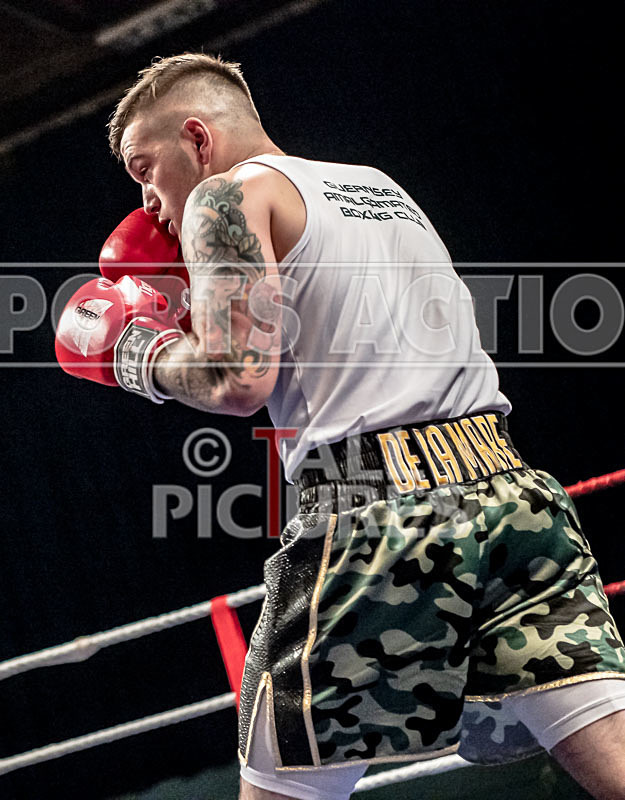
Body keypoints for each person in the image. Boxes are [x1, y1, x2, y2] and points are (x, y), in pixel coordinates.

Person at [55, 53, 625, 800]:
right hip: (513, 497)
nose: (147, 199)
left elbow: (237, 378)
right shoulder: (376, 187)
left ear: (196, 138)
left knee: (281, 787)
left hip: (376, 510)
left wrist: (137, 350)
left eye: (143, 166)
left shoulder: (222, 197)